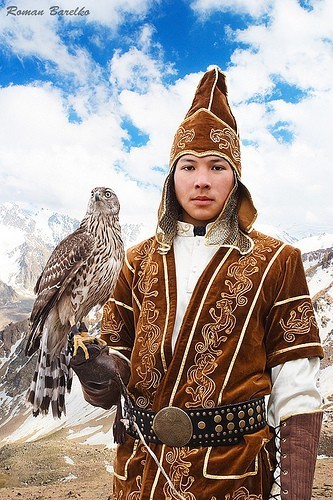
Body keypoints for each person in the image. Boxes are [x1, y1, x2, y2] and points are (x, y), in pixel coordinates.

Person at [71, 66, 324, 500]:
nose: (201, 180)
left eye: (216, 167)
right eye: (188, 166)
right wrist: (99, 371)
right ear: (172, 178)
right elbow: (117, 357)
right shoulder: (136, 260)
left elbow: (297, 392)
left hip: (234, 477)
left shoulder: (278, 261)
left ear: (236, 178)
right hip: (139, 474)